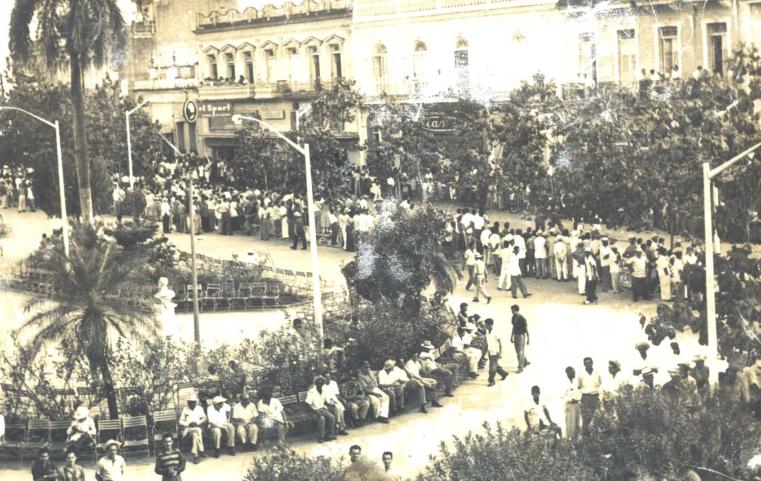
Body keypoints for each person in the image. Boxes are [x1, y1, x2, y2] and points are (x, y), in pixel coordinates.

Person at [305, 376, 337, 442]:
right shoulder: (311, 391)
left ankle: (331, 434)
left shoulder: (324, 390)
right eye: (318, 383)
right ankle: (321, 437)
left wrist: (331, 404)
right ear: (315, 383)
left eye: (321, 383)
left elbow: (326, 401)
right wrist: (315, 411)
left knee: (332, 417)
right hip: (314, 410)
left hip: (323, 408)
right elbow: (308, 404)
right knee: (322, 419)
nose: (320, 384)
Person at [578, 357, 602, 437]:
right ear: (584, 364)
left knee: (597, 416)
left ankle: (596, 437)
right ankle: (585, 438)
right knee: (586, 418)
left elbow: (599, 385)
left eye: (590, 363)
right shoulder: (581, 374)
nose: (588, 365)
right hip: (586, 398)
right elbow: (579, 386)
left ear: (592, 363)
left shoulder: (597, 373)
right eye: (586, 363)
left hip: (595, 397)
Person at [178, 397, 206, 463]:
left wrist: (197, 423)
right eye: (190, 402)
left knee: (195, 434)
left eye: (193, 402)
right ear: (188, 402)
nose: (191, 403)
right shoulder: (185, 409)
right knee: (197, 432)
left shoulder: (199, 408)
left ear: (196, 402)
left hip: (197, 427)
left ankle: (195, 455)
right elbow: (180, 421)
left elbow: (204, 418)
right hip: (188, 428)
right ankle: (201, 450)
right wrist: (188, 424)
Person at [484, 318, 509, 386]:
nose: (485, 326)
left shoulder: (496, 332)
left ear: (490, 325)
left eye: (486, 325)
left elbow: (500, 343)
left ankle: (491, 381)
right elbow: (488, 342)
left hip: (495, 352)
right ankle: (504, 373)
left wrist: (501, 353)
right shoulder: (487, 331)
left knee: (492, 368)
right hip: (490, 351)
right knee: (494, 365)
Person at [564, 367, 582, 441]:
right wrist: (571, 399)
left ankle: (576, 440)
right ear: (568, 374)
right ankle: (569, 441)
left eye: (574, 372)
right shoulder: (564, 383)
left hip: (577, 405)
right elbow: (562, 396)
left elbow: (580, 392)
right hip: (569, 405)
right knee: (570, 424)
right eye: (572, 372)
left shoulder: (575, 383)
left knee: (577, 423)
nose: (574, 374)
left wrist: (579, 400)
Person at [510, 305, 530, 372]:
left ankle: (520, 367)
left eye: (512, 310)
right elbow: (513, 327)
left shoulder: (522, 319)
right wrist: (511, 336)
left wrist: (528, 339)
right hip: (516, 336)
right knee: (518, 351)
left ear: (516, 310)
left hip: (521, 336)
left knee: (520, 352)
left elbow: (526, 329)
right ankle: (525, 361)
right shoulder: (513, 317)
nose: (511, 312)